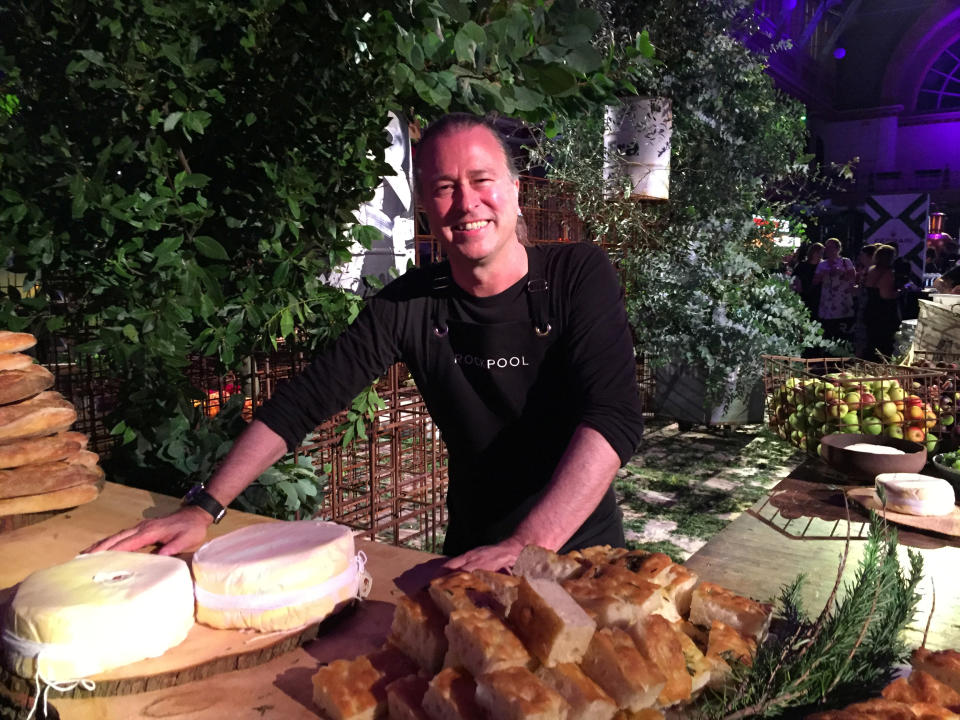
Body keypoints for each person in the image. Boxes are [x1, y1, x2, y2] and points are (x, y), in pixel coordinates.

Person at [87, 113, 645, 572]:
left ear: (515, 192)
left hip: (585, 557)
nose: (467, 203)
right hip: (473, 557)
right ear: (427, 206)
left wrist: (526, 547)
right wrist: (206, 506)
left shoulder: (577, 275)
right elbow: (304, 401)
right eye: (444, 188)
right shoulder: (409, 304)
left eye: (482, 180)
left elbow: (614, 418)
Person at [813, 237, 856, 342]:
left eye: (830, 247)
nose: (827, 249)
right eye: (826, 247)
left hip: (842, 303)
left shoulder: (846, 262)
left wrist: (840, 272)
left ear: (837, 249)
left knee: (841, 334)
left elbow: (853, 278)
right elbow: (814, 282)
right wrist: (823, 274)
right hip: (827, 304)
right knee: (828, 331)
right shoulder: (822, 264)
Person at [863, 244, 900, 361]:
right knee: (884, 345)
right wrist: (899, 292)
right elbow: (886, 295)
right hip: (884, 314)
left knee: (871, 342)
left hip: (870, 309)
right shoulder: (887, 273)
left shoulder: (871, 270)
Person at [791, 242, 823, 320]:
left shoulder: (822, 267)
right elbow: (793, 278)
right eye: (818, 252)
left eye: (822, 253)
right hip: (803, 296)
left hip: (818, 298)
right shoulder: (802, 265)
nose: (820, 255)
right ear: (813, 252)